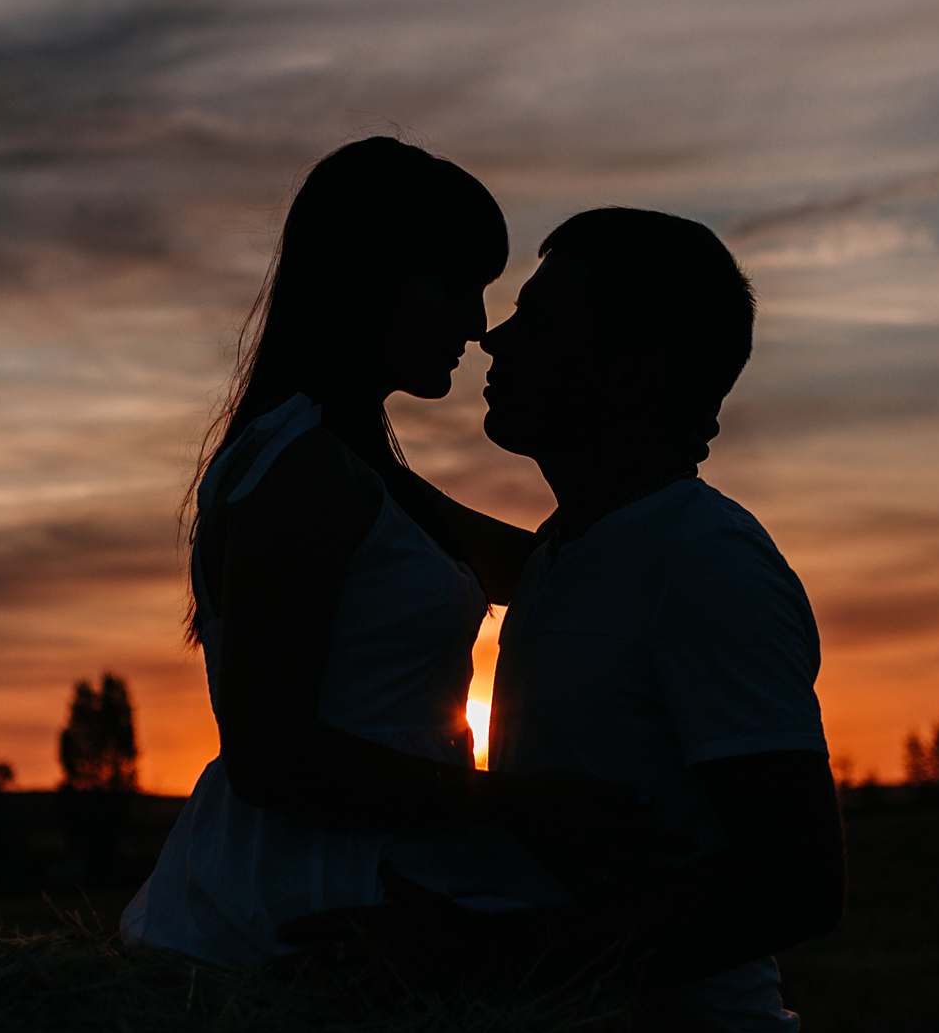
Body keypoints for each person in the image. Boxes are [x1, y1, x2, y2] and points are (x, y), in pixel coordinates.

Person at [293, 207, 846, 1033]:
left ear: (635, 369)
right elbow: (384, 496)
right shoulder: (569, 545)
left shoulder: (706, 564)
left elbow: (794, 884)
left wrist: (474, 959)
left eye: (540, 322)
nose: (495, 341)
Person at [121, 140, 649, 969]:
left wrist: (618, 438)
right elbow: (270, 758)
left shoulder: (361, 472)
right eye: (456, 287)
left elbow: (551, 561)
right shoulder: (300, 471)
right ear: (368, 279)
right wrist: (513, 804)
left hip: (356, 883)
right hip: (303, 906)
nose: (476, 325)